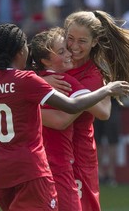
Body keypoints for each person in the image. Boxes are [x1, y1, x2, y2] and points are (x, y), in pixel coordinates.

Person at [0, 23, 129, 211]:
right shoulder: (29, 81)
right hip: (32, 169)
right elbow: (73, 107)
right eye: (25, 46)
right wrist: (107, 89)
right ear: (19, 52)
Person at [43, 10, 129, 211]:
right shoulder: (55, 61)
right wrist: (40, 81)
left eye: (82, 41)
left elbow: (64, 120)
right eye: (70, 38)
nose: (73, 46)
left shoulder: (92, 77)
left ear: (95, 42)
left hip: (76, 157)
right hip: (48, 154)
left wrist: (22, 112)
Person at [28, 27, 89, 211]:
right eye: (61, 51)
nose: (69, 53)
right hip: (57, 166)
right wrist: (107, 89)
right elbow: (103, 110)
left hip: (32, 168)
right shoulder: (66, 82)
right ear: (45, 60)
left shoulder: (27, 82)